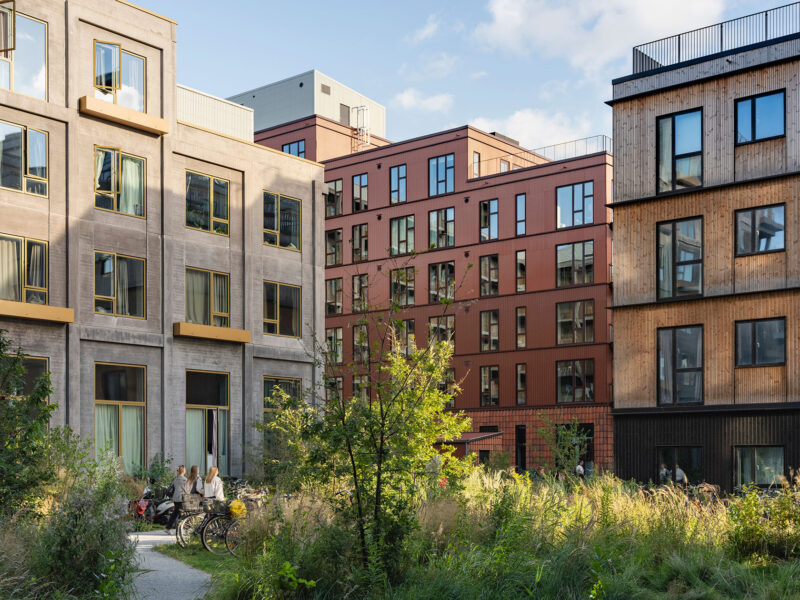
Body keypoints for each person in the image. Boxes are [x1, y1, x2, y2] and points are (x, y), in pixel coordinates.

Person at [165, 465, 187, 532]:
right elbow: (187, 490)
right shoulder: (184, 480)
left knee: (175, 513)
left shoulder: (175, 479)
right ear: (183, 471)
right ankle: (180, 529)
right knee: (181, 514)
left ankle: (168, 528)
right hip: (181, 499)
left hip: (175, 498)